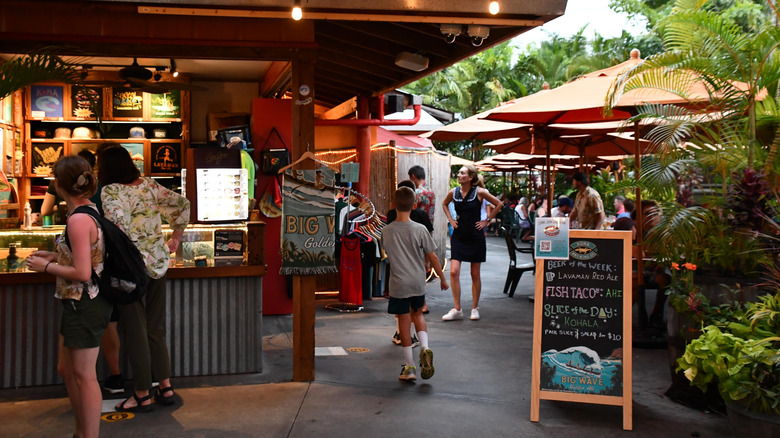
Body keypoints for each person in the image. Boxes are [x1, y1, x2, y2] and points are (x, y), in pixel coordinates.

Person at [99, 146, 190, 413]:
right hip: (159, 264)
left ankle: (141, 394)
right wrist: (175, 237)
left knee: (136, 331)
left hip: (130, 269)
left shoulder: (111, 191)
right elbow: (183, 204)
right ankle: (165, 386)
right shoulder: (149, 185)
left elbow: (117, 229)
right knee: (155, 329)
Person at [26, 155, 111, 438]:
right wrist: (54, 255)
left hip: (84, 302)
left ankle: (87, 435)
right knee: (67, 369)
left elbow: (84, 272)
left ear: (59, 184)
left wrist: (46, 266)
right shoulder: (90, 209)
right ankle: (80, 431)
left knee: (84, 376)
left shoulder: (77, 220)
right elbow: (87, 257)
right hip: (81, 302)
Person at [382, 186, 448, 381]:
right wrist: (442, 279)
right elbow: (433, 257)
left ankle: (410, 367)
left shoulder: (387, 231)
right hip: (418, 281)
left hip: (398, 284)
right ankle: (425, 348)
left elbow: (387, 253)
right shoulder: (420, 229)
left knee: (404, 320)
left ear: (393, 205)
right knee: (418, 315)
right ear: (415, 205)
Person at [441, 165, 502, 321]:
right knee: (454, 272)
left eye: (463, 173)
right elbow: (444, 204)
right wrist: (450, 219)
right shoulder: (453, 193)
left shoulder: (480, 192)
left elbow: (499, 204)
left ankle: (475, 308)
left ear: (470, 178)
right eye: (459, 172)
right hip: (459, 235)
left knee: (475, 273)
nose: (459, 175)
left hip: (476, 236)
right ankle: (457, 309)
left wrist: (486, 221)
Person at [387, 180, 433, 346]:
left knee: (402, 313)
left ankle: (403, 340)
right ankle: (424, 346)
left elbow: (387, 247)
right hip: (417, 270)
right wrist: (429, 263)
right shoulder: (421, 217)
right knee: (417, 311)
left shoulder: (391, 216)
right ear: (414, 201)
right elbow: (429, 245)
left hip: (398, 272)